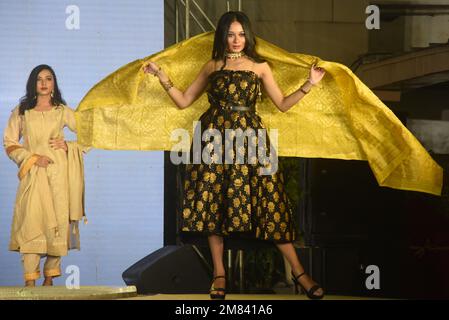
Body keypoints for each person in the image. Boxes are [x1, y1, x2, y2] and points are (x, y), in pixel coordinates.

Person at [143, 11, 325, 300]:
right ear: (223, 36)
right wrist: (162, 76)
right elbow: (183, 101)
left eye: (241, 34)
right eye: (231, 34)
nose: (236, 40)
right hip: (213, 142)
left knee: (271, 202)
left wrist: (310, 83)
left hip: (251, 143)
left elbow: (282, 104)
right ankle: (219, 275)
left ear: (247, 36)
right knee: (213, 203)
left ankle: (300, 273)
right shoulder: (211, 66)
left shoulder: (260, 67)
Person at [3, 64, 87, 287]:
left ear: (53, 84)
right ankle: (30, 283)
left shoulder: (62, 110)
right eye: (39, 79)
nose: (43, 83)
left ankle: (49, 279)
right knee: (31, 223)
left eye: (48, 79)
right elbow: (10, 143)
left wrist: (68, 145)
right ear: (33, 83)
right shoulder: (22, 111)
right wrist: (31, 158)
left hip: (59, 177)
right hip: (33, 174)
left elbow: (90, 132)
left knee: (57, 223)